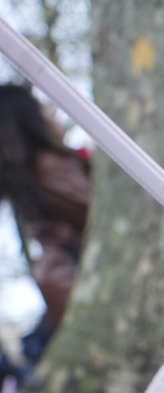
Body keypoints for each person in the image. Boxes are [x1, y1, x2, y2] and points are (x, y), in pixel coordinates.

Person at [0, 83, 90, 377]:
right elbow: (93, 212)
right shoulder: (50, 166)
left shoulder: (28, 176)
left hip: (59, 281)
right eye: (42, 109)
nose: (52, 114)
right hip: (73, 278)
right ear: (30, 119)